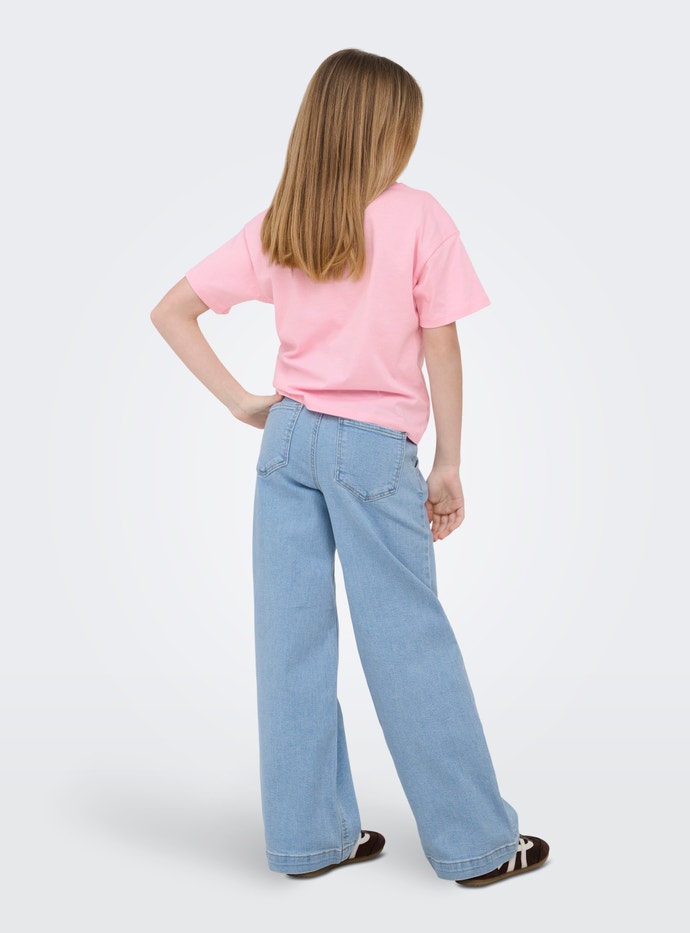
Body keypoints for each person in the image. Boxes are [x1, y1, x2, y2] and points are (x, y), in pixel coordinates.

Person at [150, 48, 549, 886]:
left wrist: (242, 402)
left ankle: (309, 840)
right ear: (387, 131)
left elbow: (173, 310)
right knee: (408, 641)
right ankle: (477, 845)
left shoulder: (284, 218)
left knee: (290, 644)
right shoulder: (418, 216)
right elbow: (442, 343)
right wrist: (450, 461)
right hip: (372, 449)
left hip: (287, 441)